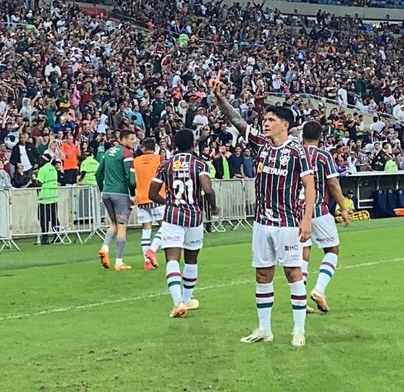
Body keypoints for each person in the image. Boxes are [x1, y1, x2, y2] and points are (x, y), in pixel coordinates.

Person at [213, 82, 315, 348]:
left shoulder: (296, 151)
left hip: (287, 222)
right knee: (262, 275)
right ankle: (264, 329)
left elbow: (309, 185)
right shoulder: (262, 145)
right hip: (261, 222)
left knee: (293, 273)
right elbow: (236, 120)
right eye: (265, 119)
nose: (265, 123)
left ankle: (299, 329)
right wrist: (219, 97)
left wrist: (306, 219)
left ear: (285, 125)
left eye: (271, 120)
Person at [148, 129, 217, 318]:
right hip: (194, 216)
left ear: (175, 144)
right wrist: (213, 207)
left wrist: (168, 202)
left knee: (172, 259)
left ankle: (178, 302)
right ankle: (186, 300)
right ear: (193, 144)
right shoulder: (199, 164)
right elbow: (208, 190)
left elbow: (152, 193)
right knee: (191, 260)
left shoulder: (166, 164)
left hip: (173, 216)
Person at [299, 121, 350, 314]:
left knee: (303, 254)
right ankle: (319, 289)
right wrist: (343, 208)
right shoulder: (323, 156)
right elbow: (333, 183)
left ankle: (300, 299)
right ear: (320, 136)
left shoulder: (294, 154)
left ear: (302, 136)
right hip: (318, 209)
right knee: (332, 250)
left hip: (297, 211)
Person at [95, 130, 137, 271]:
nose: (134, 142)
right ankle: (119, 262)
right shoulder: (127, 154)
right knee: (122, 226)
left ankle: (105, 248)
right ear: (123, 140)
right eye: (131, 139)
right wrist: (132, 194)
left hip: (107, 193)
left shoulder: (108, 152)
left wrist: (102, 189)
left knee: (114, 224)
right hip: (120, 194)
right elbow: (130, 178)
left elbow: (98, 173)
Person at [133, 138, 164, 270]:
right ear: (155, 148)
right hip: (157, 197)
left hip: (141, 198)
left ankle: (147, 262)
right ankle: (152, 250)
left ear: (143, 148)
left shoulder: (136, 161)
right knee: (166, 226)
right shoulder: (159, 159)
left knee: (146, 231)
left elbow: (132, 180)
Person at [35, 153, 60, 245]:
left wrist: (34, 180)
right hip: (54, 197)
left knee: (44, 219)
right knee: (54, 218)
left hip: (45, 198)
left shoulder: (42, 169)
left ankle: (45, 238)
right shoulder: (53, 169)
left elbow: (39, 183)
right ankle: (57, 236)